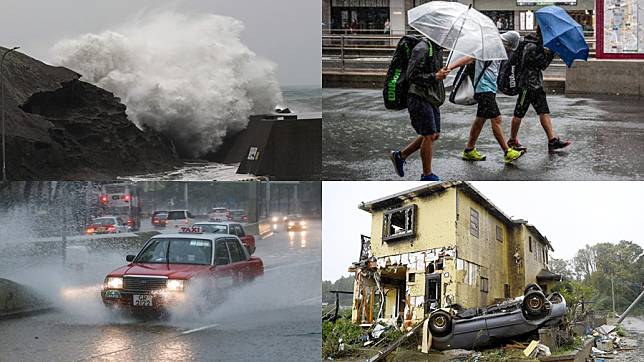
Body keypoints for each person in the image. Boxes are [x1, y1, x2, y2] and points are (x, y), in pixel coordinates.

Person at [446, 31, 525, 163]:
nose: (508, 50)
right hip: (484, 88)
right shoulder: (489, 47)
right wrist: (450, 67)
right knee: (497, 119)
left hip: (490, 88)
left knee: (480, 120)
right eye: (509, 47)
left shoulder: (499, 49)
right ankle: (507, 152)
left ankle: (469, 150)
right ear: (507, 42)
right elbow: (470, 58)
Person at [390, 37, 449, 181]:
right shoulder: (422, 48)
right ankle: (427, 175)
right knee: (429, 135)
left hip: (431, 97)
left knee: (434, 135)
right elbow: (411, 76)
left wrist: (440, 73)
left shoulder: (437, 49)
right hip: (418, 96)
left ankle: (400, 155)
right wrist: (435, 76)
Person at [508, 26, 571, 153]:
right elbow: (542, 64)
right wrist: (552, 51)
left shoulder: (534, 44)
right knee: (519, 113)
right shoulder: (532, 46)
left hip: (535, 85)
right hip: (527, 85)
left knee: (544, 112)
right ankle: (512, 140)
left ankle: (552, 140)